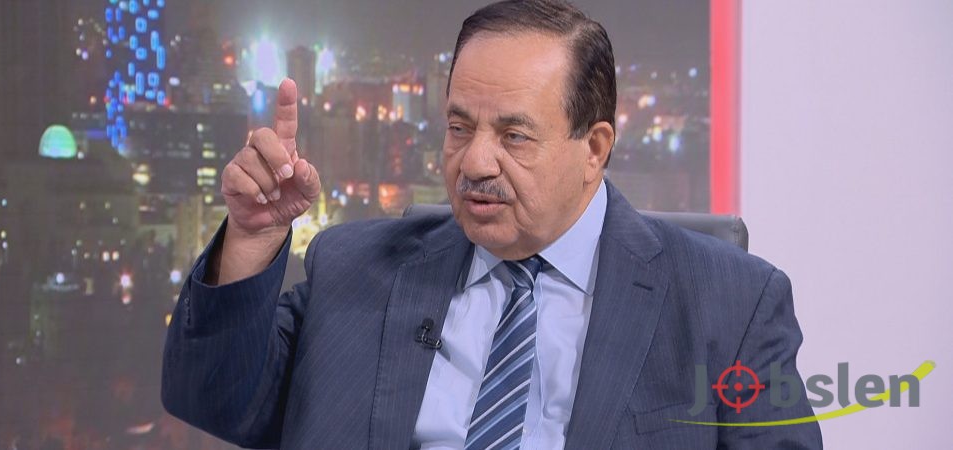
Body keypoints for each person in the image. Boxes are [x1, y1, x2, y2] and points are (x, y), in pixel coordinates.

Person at [161, 0, 822, 448]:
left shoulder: (728, 306)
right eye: (459, 128)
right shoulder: (355, 271)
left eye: (514, 135)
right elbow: (213, 400)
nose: (475, 162)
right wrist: (252, 236)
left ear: (594, 148)